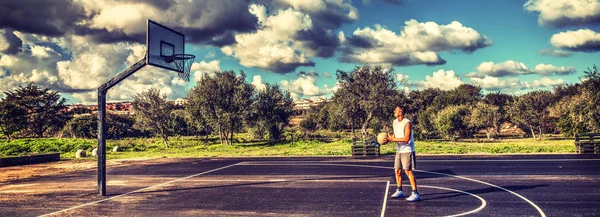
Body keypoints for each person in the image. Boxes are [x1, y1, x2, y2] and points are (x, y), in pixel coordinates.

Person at [385, 105, 420, 202]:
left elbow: (406, 138)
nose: (394, 111)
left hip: (407, 149)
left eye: (396, 110)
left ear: (401, 112)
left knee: (408, 171)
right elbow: (395, 135)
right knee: (397, 171)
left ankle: (415, 193)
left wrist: (392, 140)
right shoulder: (395, 122)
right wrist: (388, 139)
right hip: (399, 150)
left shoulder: (407, 123)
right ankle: (399, 190)